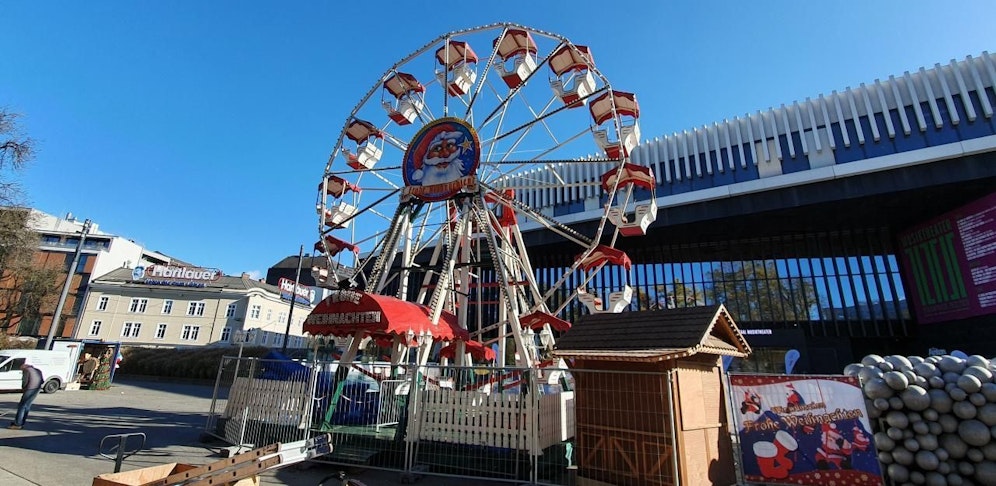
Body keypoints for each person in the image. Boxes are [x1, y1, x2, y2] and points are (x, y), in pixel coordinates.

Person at [9, 359, 44, 430]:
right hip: (37, 389)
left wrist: (24, 389)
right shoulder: (37, 370)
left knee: (21, 406)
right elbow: (42, 381)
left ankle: (17, 424)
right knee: (27, 406)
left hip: (30, 389)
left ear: (23, 368)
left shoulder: (26, 370)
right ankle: (21, 422)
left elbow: (24, 382)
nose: (22, 372)